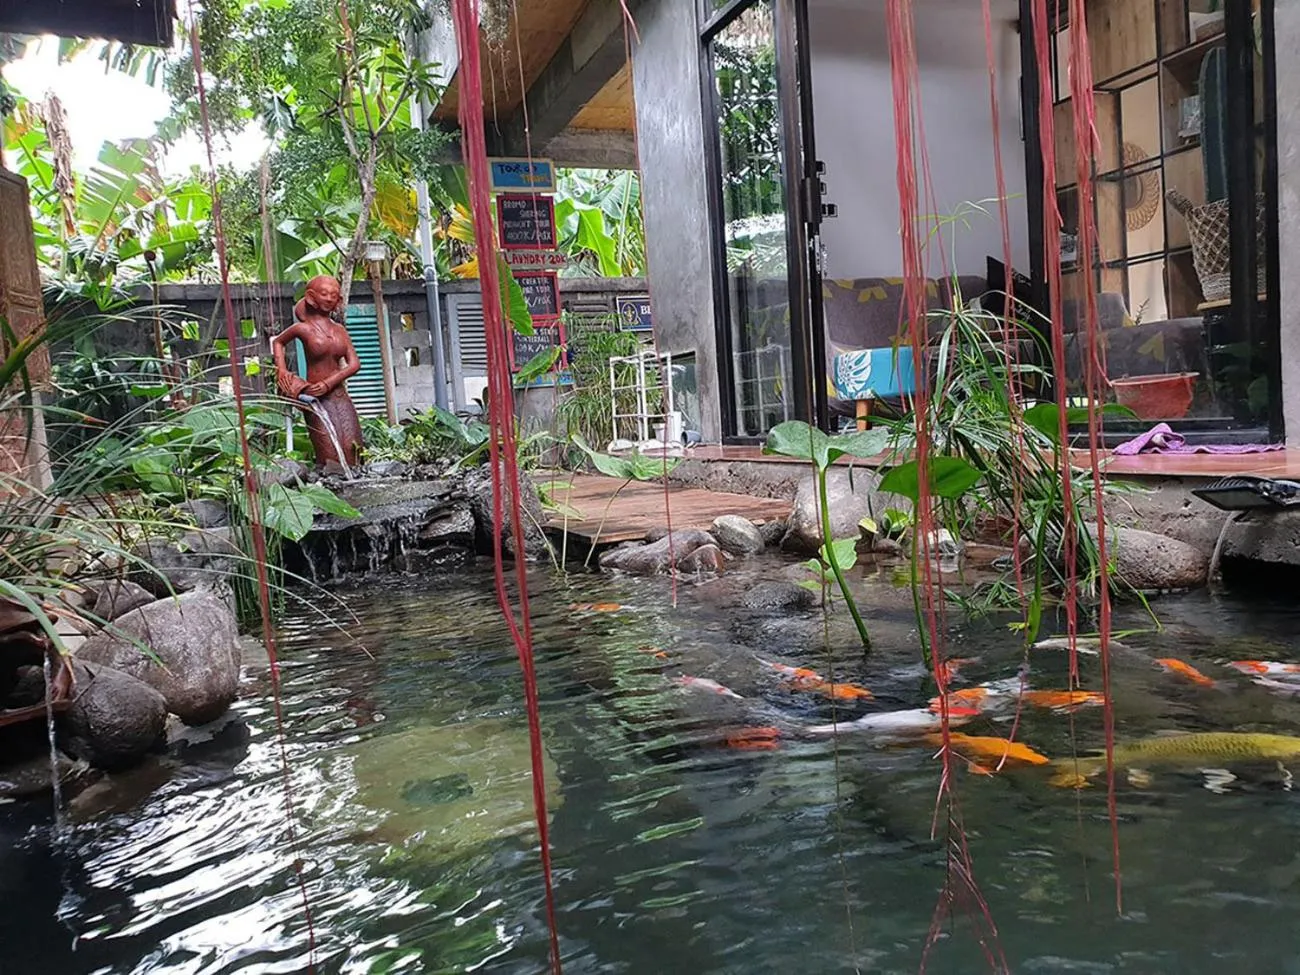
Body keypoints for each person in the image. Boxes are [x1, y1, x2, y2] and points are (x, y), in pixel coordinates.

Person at [269, 275, 363, 469]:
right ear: (311, 297)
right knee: (329, 455)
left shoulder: (340, 330)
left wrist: (329, 383)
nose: (329, 298)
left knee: (353, 448)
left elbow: (354, 364)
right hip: (315, 398)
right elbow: (278, 342)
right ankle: (331, 487)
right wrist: (282, 371)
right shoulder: (303, 329)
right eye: (324, 294)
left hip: (338, 395)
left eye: (334, 295)